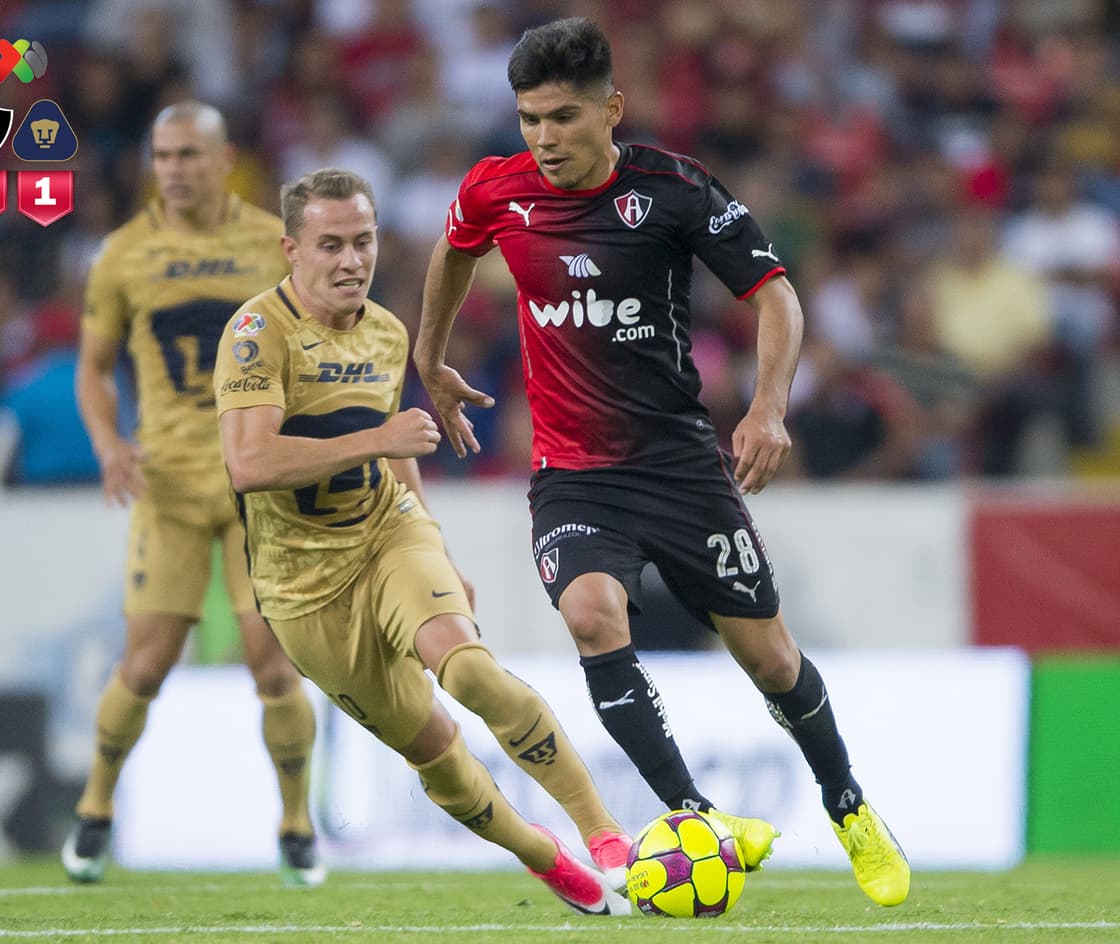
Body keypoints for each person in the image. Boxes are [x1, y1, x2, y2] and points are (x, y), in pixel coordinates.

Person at [413, 17, 910, 908]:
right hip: (573, 475)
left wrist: (768, 407)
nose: (543, 138)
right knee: (591, 613)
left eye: (563, 117)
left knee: (771, 660)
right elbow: (454, 250)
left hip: (680, 468)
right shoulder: (497, 189)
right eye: (529, 119)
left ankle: (849, 807)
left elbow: (777, 297)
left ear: (611, 108)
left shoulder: (672, 191)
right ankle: (698, 817)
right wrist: (430, 355)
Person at [213, 167, 632, 915]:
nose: (352, 260)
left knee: (466, 667)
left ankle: (604, 834)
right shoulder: (256, 334)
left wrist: (435, 544)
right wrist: (380, 438)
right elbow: (248, 465)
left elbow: (398, 452)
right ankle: (543, 855)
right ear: (291, 250)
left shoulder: (386, 330)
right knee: (432, 746)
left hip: (387, 535)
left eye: (364, 241)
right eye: (331, 245)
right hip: (301, 588)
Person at [63, 101, 323, 887]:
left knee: (271, 663)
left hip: (258, 488)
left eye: (186, 154)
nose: (172, 169)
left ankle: (297, 823)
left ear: (224, 159)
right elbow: (93, 367)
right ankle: (95, 811)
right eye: (162, 155)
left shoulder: (272, 245)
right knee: (144, 665)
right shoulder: (123, 254)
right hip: (168, 486)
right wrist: (109, 444)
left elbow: (315, 349)